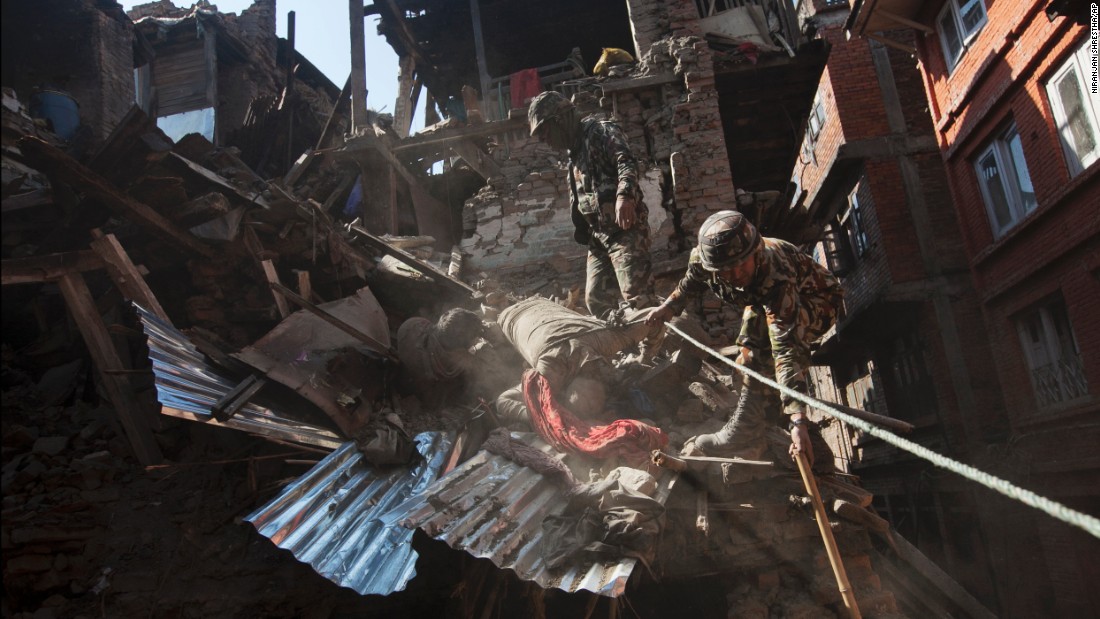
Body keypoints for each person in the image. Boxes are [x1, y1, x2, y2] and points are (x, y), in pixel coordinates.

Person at [646, 210, 844, 466]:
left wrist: (798, 417)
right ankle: (790, 433)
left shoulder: (775, 274)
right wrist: (669, 307)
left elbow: (786, 347)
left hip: (818, 303)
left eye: (742, 263)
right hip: (765, 307)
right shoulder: (704, 260)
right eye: (727, 270)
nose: (736, 274)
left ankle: (747, 428)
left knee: (758, 338)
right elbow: (691, 281)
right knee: (746, 361)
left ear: (755, 251)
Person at [527, 91, 655, 320]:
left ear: (559, 121)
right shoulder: (573, 152)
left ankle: (660, 350)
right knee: (596, 299)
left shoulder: (601, 131)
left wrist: (624, 196)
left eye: (545, 132)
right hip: (599, 236)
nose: (544, 140)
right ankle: (627, 347)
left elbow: (626, 161)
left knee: (637, 296)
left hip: (624, 230)